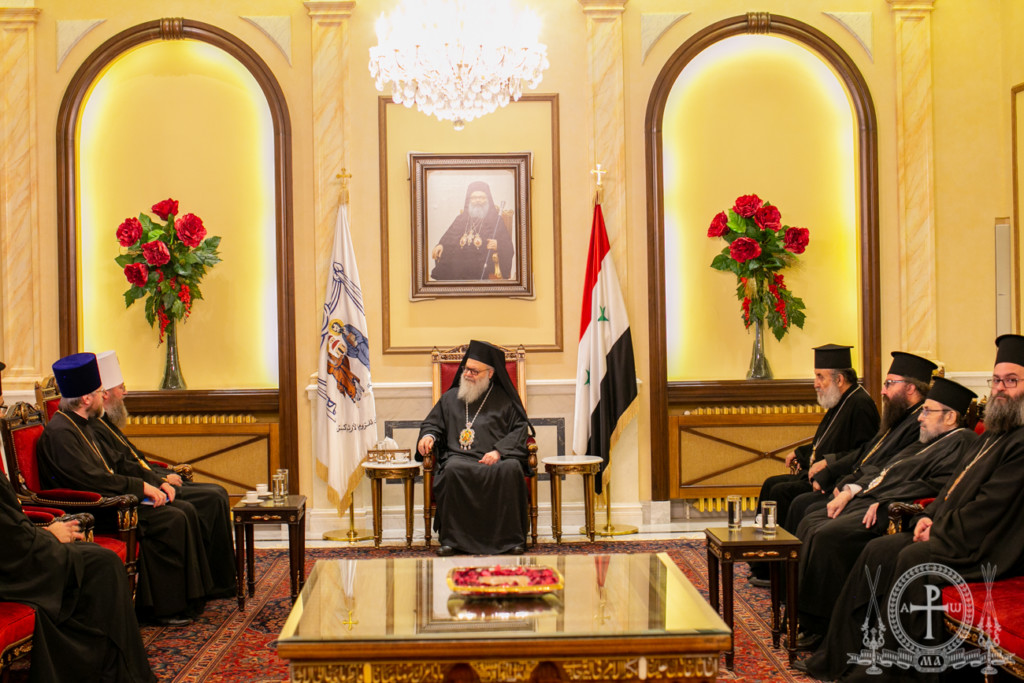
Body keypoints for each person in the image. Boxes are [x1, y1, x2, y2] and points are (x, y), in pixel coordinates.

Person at [800, 334, 1024, 681]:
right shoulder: (995, 433)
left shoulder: (1019, 443)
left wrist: (938, 528)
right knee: (878, 550)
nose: (1000, 389)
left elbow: (990, 507)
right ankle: (846, 653)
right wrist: (927, 517)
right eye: (996, 380)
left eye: (1011, 381)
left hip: (987, 545)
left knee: (910, 558)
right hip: (956, 531)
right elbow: (953, 489)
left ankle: (894, 670)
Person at [793, 376, 977, 649]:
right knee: (811, 521)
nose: (920, 417)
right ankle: (805, 617)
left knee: (829, 535)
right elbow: (888, 468)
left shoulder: (961, 442)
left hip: (893, 510)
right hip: (873, 498)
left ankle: (823, 628)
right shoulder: (930, 440)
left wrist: (884, 501)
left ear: (950, 417)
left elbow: (934, 486)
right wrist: (850, 491)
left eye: (927, 411)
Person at [36, 352, 211, 626]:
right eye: (99, 392)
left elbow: (114, 464)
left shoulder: (83, 425)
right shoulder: (61, 434)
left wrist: (149, 483)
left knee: (182, 509)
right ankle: (162, 608)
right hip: (93, 510)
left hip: (114, 498)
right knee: (172, 518)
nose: (103, 396)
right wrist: (139, 488)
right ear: (86, 399)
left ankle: (192, 598)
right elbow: (90, 480)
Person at [91, 350, 236, 598]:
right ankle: (212, 585)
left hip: (151, 481)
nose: (125, 393)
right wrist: (159, 480)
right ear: (105, 394)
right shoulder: (94, 428)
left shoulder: (106, 423)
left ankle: (220, 580)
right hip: (139, 491)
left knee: (218, 493)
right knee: (211, 498)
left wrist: (162, 473)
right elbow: (121, 468)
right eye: (121, 387)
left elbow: (136, 459)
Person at [0, 471, 156, 682]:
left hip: (20, 555)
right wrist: (50, 534)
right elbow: (10, 535)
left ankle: (114, 671)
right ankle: (116, 674)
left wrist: (45, 533)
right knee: (102, 564)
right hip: (12, 570)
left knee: (98, 559)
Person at [749, 344, 879, 586]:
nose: (815, 383)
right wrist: (800, 453)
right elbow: (824, 442)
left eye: (820, 376)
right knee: (770, 484)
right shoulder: (840, 400)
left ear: (839, 379)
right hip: (818, 473)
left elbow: (865, 452)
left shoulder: (860, 404)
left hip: (834, 478)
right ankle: (763, 563)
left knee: (781, 492)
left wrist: (829, 463)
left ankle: (780, 569)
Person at [783, 351, 936, 534]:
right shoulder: (899, 416)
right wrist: (831, 470)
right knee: (804, 508)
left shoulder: (919, 425)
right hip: (856, 484)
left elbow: (888, 466)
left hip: (872, 494)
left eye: (889, 383)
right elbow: (866, 451)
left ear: (910, 388)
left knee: (809, 514)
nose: (883, 391)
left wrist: (848, 486)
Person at [416, 340, 533, 555]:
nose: (468, 374)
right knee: (452, 470)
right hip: (459, 457)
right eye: (466, 369)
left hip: (497, 459)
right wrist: (428, 436)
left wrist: (499, 451)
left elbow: (520, 429)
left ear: (490, 373)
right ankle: (453, 541)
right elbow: (433, 423)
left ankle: (511, 540)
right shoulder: (450, 398)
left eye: (474, 371)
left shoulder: (505, 400)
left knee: (511, 469)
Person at [429, 181, 514, 281]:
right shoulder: (461, 218)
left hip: (482, 262)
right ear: (469, 200)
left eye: (482, 197)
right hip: (458, 261)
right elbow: (449, 236)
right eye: (474, 198)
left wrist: (498, 245)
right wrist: (441, 245)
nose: (478, 200)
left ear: (488, 199)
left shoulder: (496, 220)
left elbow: (508, 245)